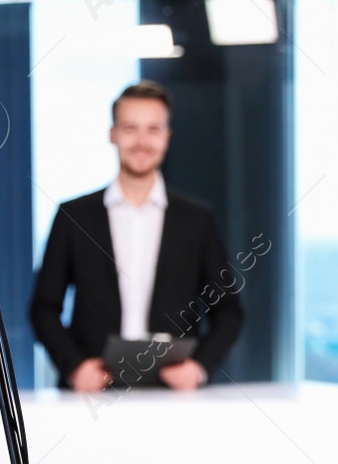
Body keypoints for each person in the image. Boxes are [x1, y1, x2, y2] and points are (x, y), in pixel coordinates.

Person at [30, 80, 243, 392]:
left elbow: (229, 312)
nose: (142, 141)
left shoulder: (197, 219)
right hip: (90, 392)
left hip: (172, 395)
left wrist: (199, 369)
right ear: (112, 134)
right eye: (130, 128)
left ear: (167, 137)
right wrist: (74, 366)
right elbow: (43, 307)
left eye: (153, 129)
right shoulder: (73, 216)